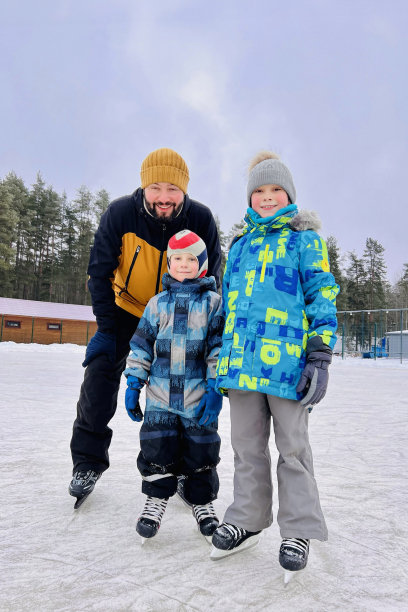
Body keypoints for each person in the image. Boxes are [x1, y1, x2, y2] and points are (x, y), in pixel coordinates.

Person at [210, 151, 339, 574]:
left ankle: (298, 528)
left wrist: (319, 353)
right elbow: (229, 303)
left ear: (289, 195)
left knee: (293, 449)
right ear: (250, 198)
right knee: (246, 448)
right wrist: (222, 355)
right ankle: (246, 520)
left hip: (287, 367)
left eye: (275, 190)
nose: (267, 197)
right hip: (242, 365)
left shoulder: (306, 240)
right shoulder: (241, 244)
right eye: (259, 191)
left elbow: (322, 292)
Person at [69, 148, 222, 506]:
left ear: (184, 190)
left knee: (189, 389)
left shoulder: (200, 218)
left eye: (173, 189)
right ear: (143, 187)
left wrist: (213, 332)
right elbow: (99, 273)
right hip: (125, 309)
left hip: (182, 311)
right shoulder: (120, 213)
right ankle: (87, 462)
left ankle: (186, 471)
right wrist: (107, 330)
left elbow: (214, 277)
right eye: (156, 188)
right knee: (100, 373)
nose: (164, 198)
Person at [123, 230, 224, 541]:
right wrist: (134, 382)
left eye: (190, 259)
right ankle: (155, 501)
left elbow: (218, 348)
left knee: (201, 453)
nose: (183, 264)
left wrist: (215, 387)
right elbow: (141, 345)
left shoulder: (213, 303)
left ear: (202, 264)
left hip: (197, 398)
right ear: (168, 263)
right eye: (177, 259)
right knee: (157, 449)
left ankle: (202, 503)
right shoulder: (156, 304)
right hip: (160, 398)